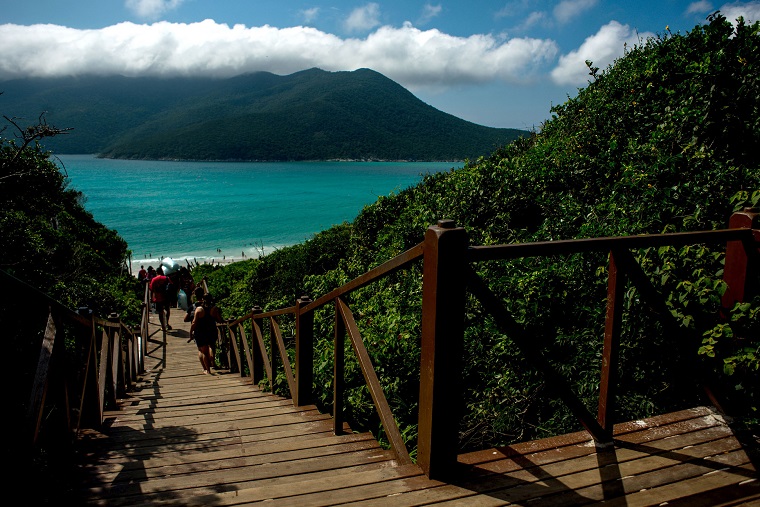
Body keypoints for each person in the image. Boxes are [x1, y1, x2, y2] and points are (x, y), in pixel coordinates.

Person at [189, 291, 223, 374]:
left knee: (202, 351)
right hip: (211, 330)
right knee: (211, 345)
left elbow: (194, 322)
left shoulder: (199, 309)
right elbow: (219, 319)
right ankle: (213, 362)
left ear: (202, 299)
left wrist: (190, 332)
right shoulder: (214, 308)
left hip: (200, 331)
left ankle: (207, 370)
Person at [149, 266, 172, 330]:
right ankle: (167, 323)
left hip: (158, 298)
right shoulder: (166, 278)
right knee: (167, 310)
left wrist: (151, 298)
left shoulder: (154, 279)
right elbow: (171, 287)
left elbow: (151, 290)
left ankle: (163, 326)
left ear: (157, 272)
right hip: (166, 297)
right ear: (162, 272)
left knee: (160, 312)